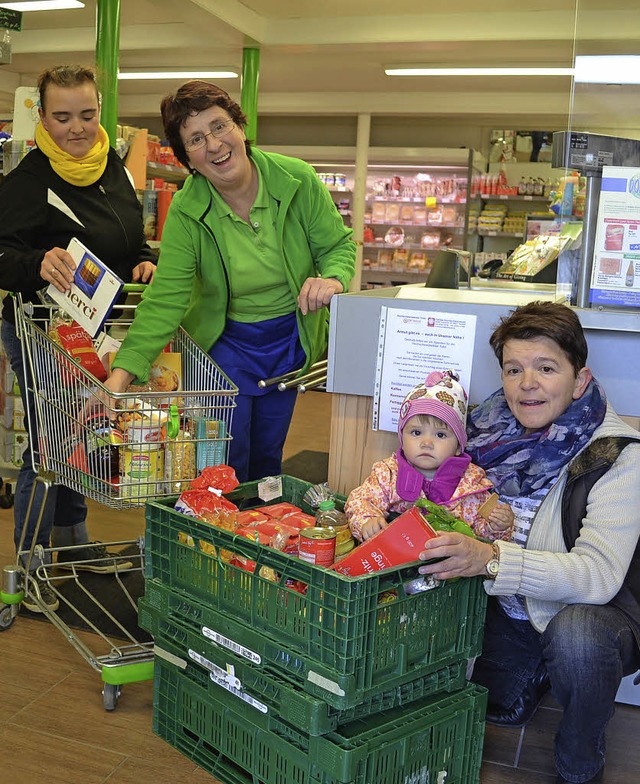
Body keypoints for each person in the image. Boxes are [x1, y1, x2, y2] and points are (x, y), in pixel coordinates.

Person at [417, 302, 640, 784]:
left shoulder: (618, 454)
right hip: (503, 609)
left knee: (578, 638)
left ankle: (581, 752)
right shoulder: (478, 431)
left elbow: (597, 577)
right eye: (514, 369)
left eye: (546, 368)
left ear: (580, 380)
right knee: (494, 705)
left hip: (588, 613)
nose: (527, 384)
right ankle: (528, 671)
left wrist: (490, 559)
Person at [104, 80, 356, 483]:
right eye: (196, 139)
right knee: (225, 459)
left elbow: (338, 247)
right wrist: (121, 375)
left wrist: (332, 278)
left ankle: (259, 536)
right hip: (225, 348)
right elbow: (166, 298)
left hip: (289, 340)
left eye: (220, 127)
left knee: (269, 458)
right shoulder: (188, 207)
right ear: (187, 156)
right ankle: (223, 540)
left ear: (240, 126)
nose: (214, 145)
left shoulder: (297, 180)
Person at [0, 65, 157, 612]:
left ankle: (71, 539)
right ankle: (32, 560)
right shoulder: (25, 182)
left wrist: (142, 261)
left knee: (84, 430)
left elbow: (127, 236)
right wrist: (35, 262)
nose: (77, 128)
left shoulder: (110, 165)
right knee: (50, 439)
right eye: (62, 117)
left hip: (99, 328)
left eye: (87, 115)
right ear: (42, 117)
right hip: (42, 327)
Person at [345, 370, 514, 542]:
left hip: (449, 566)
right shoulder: (387, 474)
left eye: (440, 435)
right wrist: (367, 521)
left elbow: (481, 535)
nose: (426, 442)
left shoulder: (473, 485)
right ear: (402, 438)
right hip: (396, 562)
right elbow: (359, 500)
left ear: (458, 446)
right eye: (416, 432)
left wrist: (498, 526)